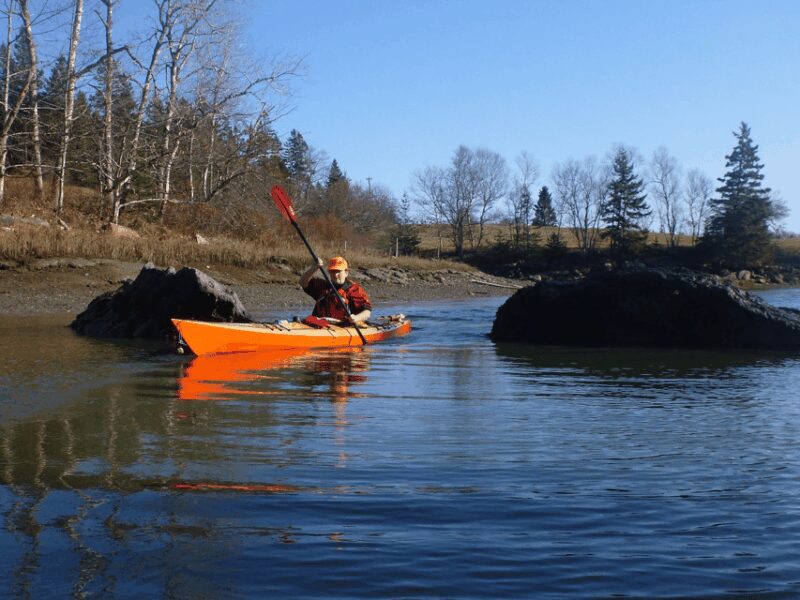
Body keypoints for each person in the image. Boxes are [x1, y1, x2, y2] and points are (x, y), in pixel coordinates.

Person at [299, 256, 372, 324]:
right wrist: (313, 268)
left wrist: (356, 318)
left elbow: (367, 311)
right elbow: (302, 282)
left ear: (346, 273)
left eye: (338, 271)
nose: (335, 274)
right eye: (333, 271)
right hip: (320, 324)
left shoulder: (354, 289)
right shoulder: (323, 286)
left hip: (344, 326)